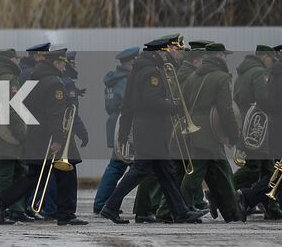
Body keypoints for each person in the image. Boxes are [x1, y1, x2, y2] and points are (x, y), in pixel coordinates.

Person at [98, 37, 203, 224]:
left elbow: (127, 104)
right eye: (170, 51)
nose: (172, 55)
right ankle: (110, 206)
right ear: (161, 52)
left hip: (146, 128)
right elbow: (151, 100)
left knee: (166, 173)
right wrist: (174, 106)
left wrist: (124, 129)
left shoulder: (137, 71)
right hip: (152, 129)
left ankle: (180, 212)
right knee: (140, 171)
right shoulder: (152, 72)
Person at [0, 48, 87, 225]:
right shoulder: (54, 83)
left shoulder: (33, 80)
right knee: (67, 173)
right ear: (55, 63)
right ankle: (66, 214)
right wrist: (58, 139)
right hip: (50, 137)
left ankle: (2, 199)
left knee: (35, 175)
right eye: (62, 64)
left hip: (35, 134)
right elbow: (56, 114)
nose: (64, 68)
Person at [181, 41, 242, 221]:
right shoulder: (221, 77)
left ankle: (233, 213)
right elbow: (226, 109)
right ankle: (179, 210)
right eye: (224, 55)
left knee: (222, 173)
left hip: (196, 129)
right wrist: (233, 135)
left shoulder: (193, 76)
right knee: (195, 175)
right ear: (218, 56)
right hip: (213, 131)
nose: (225, 58)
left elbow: (185, 102)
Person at [234, 44, 280, 218]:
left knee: (269, 168)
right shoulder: (259, 73)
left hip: (249, 125)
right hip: (259, 127)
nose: (272, 62)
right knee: (255, 168)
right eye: (270, 58)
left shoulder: (244, 73)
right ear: (264, 57)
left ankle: (271, 207)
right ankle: (224, 192)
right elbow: (263, 100)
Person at [93, 47, 138, 214]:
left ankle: (102, 203)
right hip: (126, 124)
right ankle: (103, 204)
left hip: (114, 121)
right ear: (132, 61)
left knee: (117, 165)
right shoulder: (127, 80)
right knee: (121, 165)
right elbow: (131, 104)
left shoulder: (113, 79)